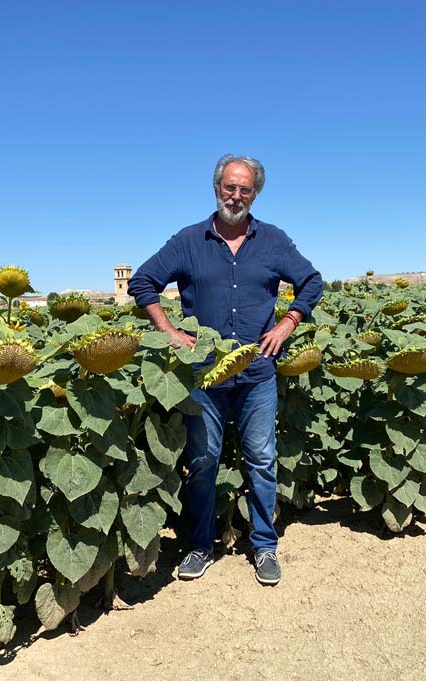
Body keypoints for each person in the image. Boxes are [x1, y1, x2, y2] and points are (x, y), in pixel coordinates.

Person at [128, 154, 323, 585]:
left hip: (257, 374)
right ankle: (200, 545)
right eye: (229, 187)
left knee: (261, 459)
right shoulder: (188, 241)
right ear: (217, 189)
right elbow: (142, 282)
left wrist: (288, 323)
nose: (236, 195)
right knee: (203, 460)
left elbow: (312, 281)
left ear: (255, 195)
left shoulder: (272, 241)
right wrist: (170, 331)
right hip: (204, 374)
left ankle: (265, 546)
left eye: (245, 189)